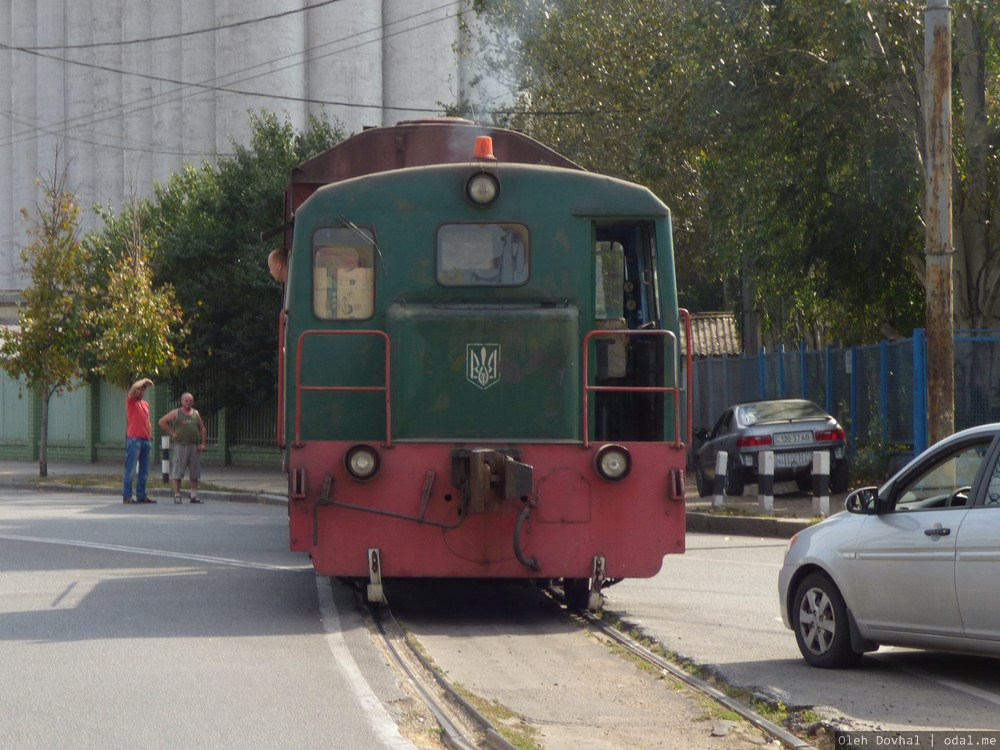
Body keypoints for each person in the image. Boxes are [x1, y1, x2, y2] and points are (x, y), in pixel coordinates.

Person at [158, 392, 208, 504]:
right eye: (186, 400)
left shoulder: (195, 413)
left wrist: (203, 443)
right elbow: (162, 422)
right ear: (182, 401)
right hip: (181, 446)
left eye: (191, 400)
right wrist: (172, 433)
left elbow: (202, 428)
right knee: (178, 471)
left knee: (194, 472)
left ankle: (194, 496)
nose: (189, 402)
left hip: (194, 446)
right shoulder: (176, 413)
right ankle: (177, 495)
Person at [123, 377, 156, 504]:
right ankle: (127, 496)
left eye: (142, 390)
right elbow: (132, 388)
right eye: (138, 390)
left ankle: (141, 495)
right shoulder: (130, 401)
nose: (140, 392)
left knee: (144, 470)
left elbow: (148, 421)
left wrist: (150, 434)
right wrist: (145, 380)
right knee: (130, 469)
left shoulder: (145, 404)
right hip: (134, 439)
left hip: (145, 440)